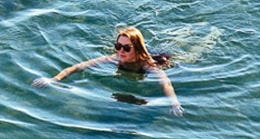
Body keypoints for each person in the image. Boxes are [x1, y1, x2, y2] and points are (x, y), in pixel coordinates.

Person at [32, 26, 183, 116]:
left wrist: (174, 102)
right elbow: (79, 66)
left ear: (136, 49)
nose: (121, 51)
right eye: (118, 46)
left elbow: (165, 82)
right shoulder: (115, 58)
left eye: (126, 48)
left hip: (161, 58)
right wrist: (53, 79)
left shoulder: (147, 65)